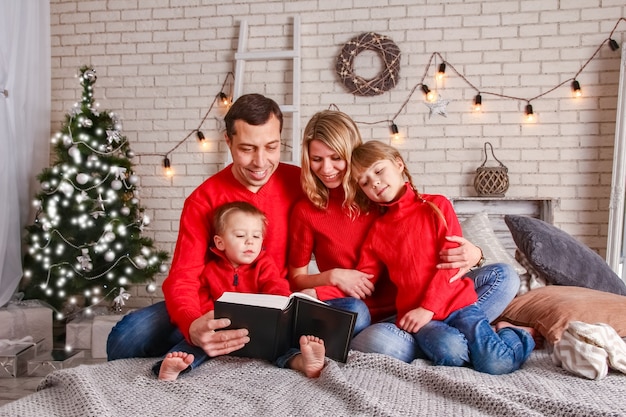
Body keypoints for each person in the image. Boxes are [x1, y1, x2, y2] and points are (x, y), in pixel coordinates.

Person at [107, 94, 368, 375]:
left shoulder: (301, 182)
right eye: (247, 148)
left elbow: (363, 195)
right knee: (125, 337)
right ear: (228, 141)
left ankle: (241, 342)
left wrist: (415, 200)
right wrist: (193, 324)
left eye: (271, 147)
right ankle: (222, 342)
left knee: (357, 311)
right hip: (218, 303)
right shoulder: (203, 199)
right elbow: (183, 277)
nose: (260, 162)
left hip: (277, 299)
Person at [288, 110, 522, 362]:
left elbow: (434, 248)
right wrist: (332, 277)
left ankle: (448, 337)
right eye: (316, 159)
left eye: (336, 157)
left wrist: (475, 254)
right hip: (382, 317)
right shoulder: (309, 211)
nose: (326, 168)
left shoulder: (383, 198)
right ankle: (452, 340)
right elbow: (300, 278)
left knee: (506, 277)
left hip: (430, 299)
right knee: (380, 338)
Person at [350, 140, 535, 374]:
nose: (374, 182)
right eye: (364, 182)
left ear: (399, 164)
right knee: (451, 351)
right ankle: (484, 344)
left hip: (458, 305)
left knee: (497, 363)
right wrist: (321, 289)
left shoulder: (436, 206)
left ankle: (516, 333)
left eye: (378, 170)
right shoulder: (377, 230)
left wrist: (428, 307)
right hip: (423, 320)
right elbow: (362, 280)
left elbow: (451, 264)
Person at [159, 201, 325, 380]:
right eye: (240, 236)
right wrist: (210, 320)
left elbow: (276, 286)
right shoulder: (211, 270)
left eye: (256, 236)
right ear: (220, 242)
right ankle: (176, 366)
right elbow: (203, 299)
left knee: (280, 346)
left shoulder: (264, 265)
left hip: (260, 328)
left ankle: (302, 362)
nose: (249, 242)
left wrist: (280, 306)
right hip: (223, 331)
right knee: (195, 342)